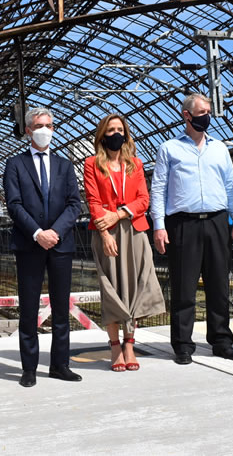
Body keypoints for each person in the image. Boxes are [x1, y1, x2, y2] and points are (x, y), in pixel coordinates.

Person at [150, 93, 233, 365]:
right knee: (183, 286)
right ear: (186, 115)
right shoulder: (169, 148)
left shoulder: (220, 149)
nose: (208, 115)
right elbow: (158, 188)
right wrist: (159, 225)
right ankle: (182, 344)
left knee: (219, 284)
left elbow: (231, 187)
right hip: (183, 223)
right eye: (202, 111)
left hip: (217, 220)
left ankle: (221, 341)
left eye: (209, 110)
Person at [3, 107, 82, 387]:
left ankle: (60, 365)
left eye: (49, 125)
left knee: (61, 308)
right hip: (29, 244)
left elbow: (75, 204)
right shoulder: (15, 165)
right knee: (29, 308)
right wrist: (37, 233)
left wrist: (54, 232)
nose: (44, 130)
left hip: (60, 245)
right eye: (39, 125)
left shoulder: (64, 165)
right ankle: (29, 369)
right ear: (28, 130)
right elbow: (14, 204)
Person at [83, 114, 165, 371]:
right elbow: (93, 202)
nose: (116, 134)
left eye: (120, 129)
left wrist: (119, 213)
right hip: (106, 232)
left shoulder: (136, 165)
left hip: (135, 231)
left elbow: (144, 200)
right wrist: (105, 233)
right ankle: (114, 345)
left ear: (126, 134)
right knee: (112, 287)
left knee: (135, 286)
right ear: (102, 135)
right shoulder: (91, 164)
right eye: (111, 130)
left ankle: (130, 342)